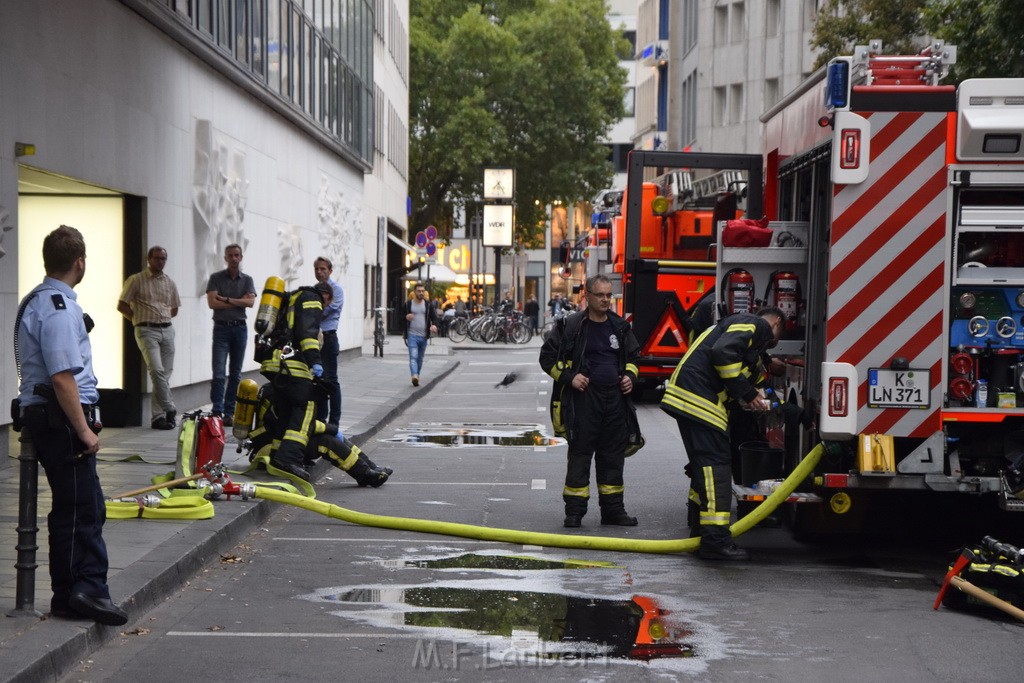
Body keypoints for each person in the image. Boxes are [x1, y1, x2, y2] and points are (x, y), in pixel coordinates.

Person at [14, 225, 128, 626]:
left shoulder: (40, 301)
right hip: (62, 418)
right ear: (79, 262)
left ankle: (67, 595)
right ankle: (88, 590)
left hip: (49, 415)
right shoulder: (59, 306)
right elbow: (63, 377)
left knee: (72, 508)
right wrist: (83, 430)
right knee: (84, 508)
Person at [660, 306, 784, 561]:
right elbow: (722, 354)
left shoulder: (742, 336)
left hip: (691, 397)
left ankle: (700, 529)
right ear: (776, 323)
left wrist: (768, 399)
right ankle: (715, 541)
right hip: (700, 400)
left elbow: (748, 377)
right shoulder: (755, 324)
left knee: (703, 467)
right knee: (715, 467)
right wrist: (748, 394)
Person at [539, 274, 642, 529]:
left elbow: (634, 358)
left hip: (615, 402)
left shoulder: (619, 327)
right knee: (581, 455)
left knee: (612, 457)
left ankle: (613, 512)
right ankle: (574, 512)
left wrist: (630, 376)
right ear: (587, 296)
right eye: (601, 295)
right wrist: (569, 378)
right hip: (584, 401)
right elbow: (547, 359)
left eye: (609, 295)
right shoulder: (571, 326)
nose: (606, 300)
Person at [246, 381, 392, 487]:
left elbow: (301, 424)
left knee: (333, 437)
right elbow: (298, 425)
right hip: (270, 448)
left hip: (281, 443)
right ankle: (364, 475)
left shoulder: (286, 387)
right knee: (326, 442)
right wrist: (330, 428)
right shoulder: (284, 394)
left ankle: (370, 466)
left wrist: (330, 430)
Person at [256, 281, 332, 481]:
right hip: (291, 364)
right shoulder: (312, 299)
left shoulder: (292, 297)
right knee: (306, 406)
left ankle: (277, 454)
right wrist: (316, 362)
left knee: (286, 412)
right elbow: (307, 334)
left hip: (274, 362)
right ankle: (289, 458)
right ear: (326, 297)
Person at [118, 246, 181, 430]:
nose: (160, 262)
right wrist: (137, 319)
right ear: (149, 259)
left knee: (164, 374)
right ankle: (170, 408)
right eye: (157, 258)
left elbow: (175, 307)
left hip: (167, 329)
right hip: (146, 330)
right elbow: (122, 305)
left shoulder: (169, 282)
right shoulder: (136, 280)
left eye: (163, 258)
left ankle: (157, 418)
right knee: (156, 370)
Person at [206, 243, 256, 427]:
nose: (234, 258)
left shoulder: (247, 280)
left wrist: (225, 299)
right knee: (219, 373)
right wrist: (238, 302)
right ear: (225, 258)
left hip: (240, 329)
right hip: (221, 328)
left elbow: (250, 303)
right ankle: (217, 411)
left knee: (235, 374)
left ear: (241, 257)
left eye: (237, 255)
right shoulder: (216, 278)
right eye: (230, 255)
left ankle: (229, 411)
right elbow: (212, 303)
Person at [313, 256, 344, 425]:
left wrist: (315, 310)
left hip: (329, 337)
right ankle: (320, 418)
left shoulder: (336, 290)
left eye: (323, 269)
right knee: (318, 381)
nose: (319, 272)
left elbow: (329, 310)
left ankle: (334, 421)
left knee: (331, 380)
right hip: (314, 339)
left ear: (330, 271)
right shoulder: (313, 290)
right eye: (317, 269)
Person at [402, 282, 438, 387]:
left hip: (424, 336)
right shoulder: (408, 304)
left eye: (423, 291)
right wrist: (406, 317)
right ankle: (414, 375)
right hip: (411, 335)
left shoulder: (428, 305)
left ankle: (417, 375)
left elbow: (434, 318)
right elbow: (399, 318)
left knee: (420, 358)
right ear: (414, 292)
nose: (421, 293)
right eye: (419, 291)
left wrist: (434, 325)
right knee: (413, 356)